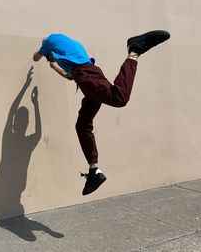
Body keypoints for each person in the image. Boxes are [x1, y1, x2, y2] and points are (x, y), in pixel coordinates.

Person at [33, 30, 170, 195]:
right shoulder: (72, 47)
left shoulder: (50, 40)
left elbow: (35, 57)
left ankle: (134, 50)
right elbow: (70, 76)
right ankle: (94, 171)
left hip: (87, 78)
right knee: (82, 125)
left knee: (119, 98)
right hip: (87, 81)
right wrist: (54, 65)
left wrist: (45, 52)